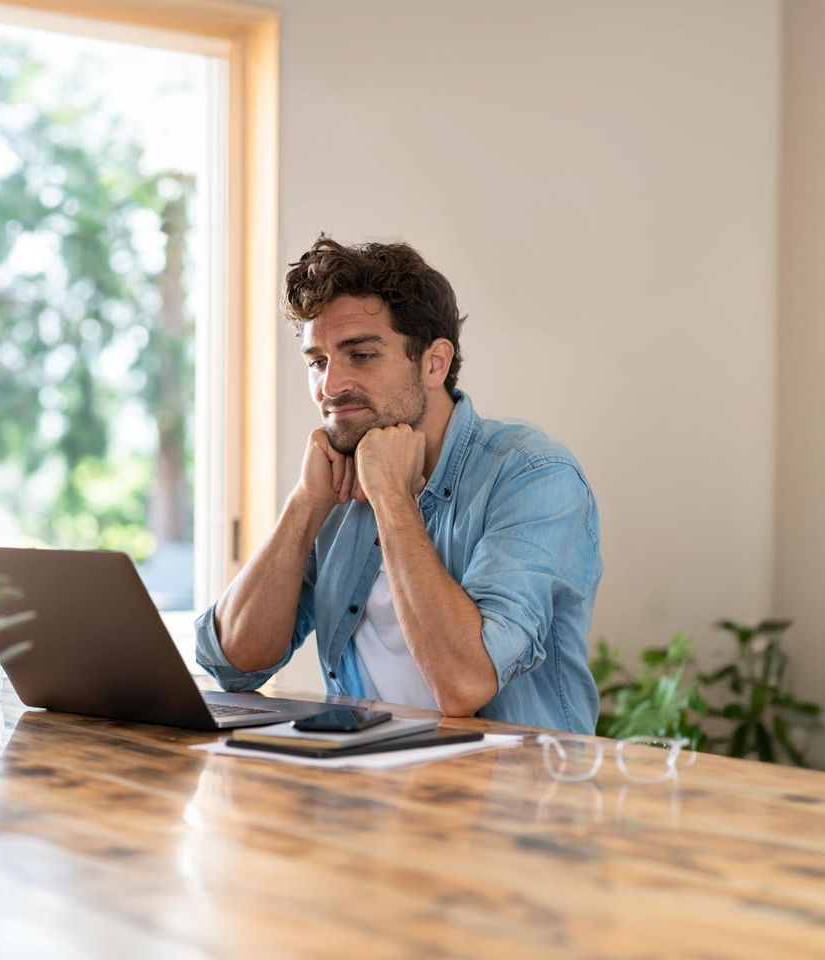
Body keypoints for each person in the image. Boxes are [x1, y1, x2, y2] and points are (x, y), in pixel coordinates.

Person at [195, 236, 602, 734]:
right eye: (317, 361)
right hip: (360, 791)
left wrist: (391, 497)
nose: (329, 386)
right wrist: (305, 505)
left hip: (509, 800)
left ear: (434, 363)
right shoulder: (337, 481)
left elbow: (463, 684)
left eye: (360, 355)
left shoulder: (533, 476)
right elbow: (232, 665)